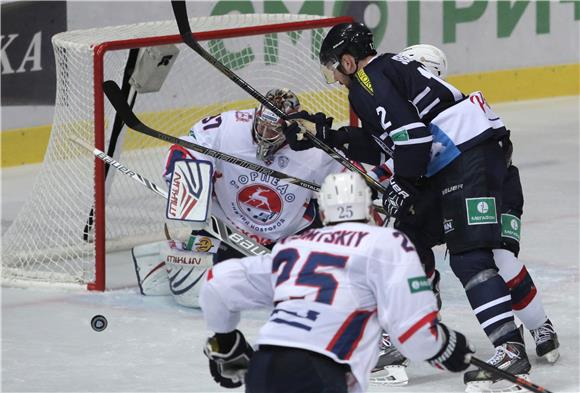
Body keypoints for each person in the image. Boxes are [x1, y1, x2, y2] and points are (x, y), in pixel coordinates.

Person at [282, 23, 542, 391]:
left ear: (348, 61)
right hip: (456, 157)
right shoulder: (384, 73)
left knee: (469, 255)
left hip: (466, 157)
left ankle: (509, 348)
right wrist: (329, 136)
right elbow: (392, 142)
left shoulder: (369, 80)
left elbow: (414, 138)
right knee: (407, 238)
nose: (336, 79)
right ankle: (412, 331)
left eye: (335, 70)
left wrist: (402, 184)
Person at [199, 172, 474, 393]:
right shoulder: (385, 243)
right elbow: (412, 336)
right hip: (320, 370)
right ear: (369, 210)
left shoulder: (291, 247)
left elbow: (217, 283)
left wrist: (225, 340)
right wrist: (444, 346)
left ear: (323, 212)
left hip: (265, 366)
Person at [133, 88, 345, 307]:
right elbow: (186, 147)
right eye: (261, 125)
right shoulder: (228, 127)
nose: (263, 133)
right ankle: (174, 258)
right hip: (228, 230)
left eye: (272, 130)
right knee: (202, 294)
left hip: (288, 237)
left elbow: (349, 183)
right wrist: (188, 185)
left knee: (315, 291)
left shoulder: (313, 150)